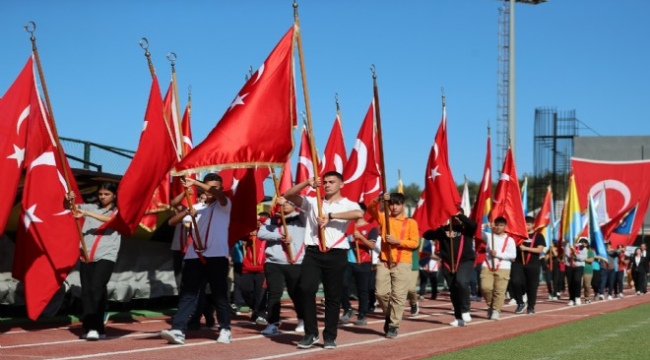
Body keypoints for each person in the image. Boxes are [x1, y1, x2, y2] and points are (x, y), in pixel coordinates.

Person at [283, 172, 363, 350]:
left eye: (331, 182)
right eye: (324, 182)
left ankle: (330, 336)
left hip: (336, 253)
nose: (327, 185)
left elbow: (359, 213)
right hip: (313, 252)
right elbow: (287, 195)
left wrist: (331, 216)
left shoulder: (348, 204)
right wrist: (306, 182)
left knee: (333, 296)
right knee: (306, 288)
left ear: (341, 184)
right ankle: (311, 333)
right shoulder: (313, 201)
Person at [160, 173, 233, 345]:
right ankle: (178, 329)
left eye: (216, 187)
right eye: (209, 186)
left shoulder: (225, 205)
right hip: (194, 256)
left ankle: (225, 328)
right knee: (188, 294)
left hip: (216, 256)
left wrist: (197, 183)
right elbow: (172, 222)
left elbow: (219, 196)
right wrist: (187, 211)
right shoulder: (197, 206)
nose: (212, 190)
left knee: (219, 295)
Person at [65, 182, 120, 341]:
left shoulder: (118, 211)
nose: (102, 197)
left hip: (106, 255)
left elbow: (111, 220)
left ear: (114, 195)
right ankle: (92, 326)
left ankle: (95, 327)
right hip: (87, 255)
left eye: (106, 194)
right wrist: (69, 200)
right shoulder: (90, 207)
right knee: (88, 291)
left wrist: (86, 214)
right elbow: (69, 206)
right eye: (101, 194)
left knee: (96, 287)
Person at [367, 192, 419, 338]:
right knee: (380, 293)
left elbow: (415, 243)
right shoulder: (385, 218)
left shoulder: (411, 223)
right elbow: (370, 208)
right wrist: (379, 198)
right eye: (391, 204)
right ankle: (390, 316)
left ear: (403, 205)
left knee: (398, 296)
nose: (394, 207)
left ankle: (393, 325)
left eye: (397, 204)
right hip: (384, 261)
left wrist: (398, 242)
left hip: (402, 262)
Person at [256, 198, 307, 335]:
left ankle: (302, 319)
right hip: (274, 263)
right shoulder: (272, 220)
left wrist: (296, 200)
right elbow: (261, 234)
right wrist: (279, 235)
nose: (285, 205)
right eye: (283, 203)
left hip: (295, 263)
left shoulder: (301, 218)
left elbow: (307, 209)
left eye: (288, 202)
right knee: (274, 293)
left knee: (296, 293)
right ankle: (272, 323)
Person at [425, 210, 477, 326]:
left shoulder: (467, 229)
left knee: (461, 281)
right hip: (448, 263)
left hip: (465, 261)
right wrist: (443, 233)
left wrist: (459, 215)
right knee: (453, 290)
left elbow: (474, 224)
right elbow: (427, 234)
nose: (456, 219)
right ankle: (458, 318)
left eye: (458, 216)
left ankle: (465, 310)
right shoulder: (444, 229)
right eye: (453, 216)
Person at [340, 203, 378, 326]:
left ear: (362, 212)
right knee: (342, 285)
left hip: (363, 262)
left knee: (362, 290)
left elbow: (372, 246)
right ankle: (348, 309)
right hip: (348, 262)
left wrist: (361, 237)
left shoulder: (371, 227)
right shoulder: (348, 226)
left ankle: (362, 314)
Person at [480, 216, 517, 320]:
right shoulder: (488, 236)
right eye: (496, 225)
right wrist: (486, 225)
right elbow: (475, 232)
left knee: (499, 291)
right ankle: (491, 305)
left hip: (503, 267)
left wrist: (498, 254)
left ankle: (496, 310)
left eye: (501, 225)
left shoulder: (510, 240)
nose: (498, 227)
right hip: (487, 265)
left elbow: (513, 255)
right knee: (485, 287)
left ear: (505, 226)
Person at [510, 216, 546, 314]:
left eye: (528, 224)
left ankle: (531, 306)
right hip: (518, 263)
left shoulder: (538, 236)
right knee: (515, 282)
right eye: (524, 224)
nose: (526, 226)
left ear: (533, 225)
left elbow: (539, 249)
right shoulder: (518, 236)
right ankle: (520, 302)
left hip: (533, 264)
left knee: (532, 286)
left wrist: (526, 249)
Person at [239, 213, 269, 325]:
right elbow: (240, 235)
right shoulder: (251, 231)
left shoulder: (269, 230)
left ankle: (260, 313)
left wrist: (260, 220)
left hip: (263, 267)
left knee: (260, 293)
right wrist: (248, 230)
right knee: (245, 290)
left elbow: (266, 220)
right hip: (248, 267)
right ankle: (257, 310)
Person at [565, 237, 588, 306]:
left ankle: (577, 297)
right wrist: (571, 253)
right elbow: (567, 254)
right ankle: (571, 299)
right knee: (570, 282)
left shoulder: (582, 247)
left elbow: (584, 257)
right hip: (569, 265)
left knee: (577, 280)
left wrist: (576, 255)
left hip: (579, 266)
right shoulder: (568, 245)